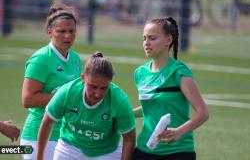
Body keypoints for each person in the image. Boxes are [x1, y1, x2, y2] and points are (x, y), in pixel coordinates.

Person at [132, 17, 209, 160]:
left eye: (152, 38)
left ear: (168, 40)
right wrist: (125, 114)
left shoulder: (179, 72)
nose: (146, 43)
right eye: (144, 38)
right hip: (145, 149)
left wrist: (179, 132)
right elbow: (151, 106)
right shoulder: (139, 73)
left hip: (177, 151)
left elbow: (203, 113)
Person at [37, 52, 136, 160]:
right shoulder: (68, 92)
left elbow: (129, 138)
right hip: (70, 148)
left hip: (106, 152)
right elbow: (47, 123)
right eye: (93, 87)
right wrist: (39, 157)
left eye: (103, 88)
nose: (98, 94)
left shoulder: (119, 100)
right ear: (83, 78)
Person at [20, 3, 83, 160]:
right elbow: (28, 99)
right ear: (50, 32)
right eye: (61, 31)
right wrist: (66, 97)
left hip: (66, 136)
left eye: (71, 31)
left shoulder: (75, 58)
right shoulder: (41, 59)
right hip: (37, 137)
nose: (67, 36)